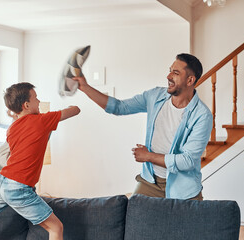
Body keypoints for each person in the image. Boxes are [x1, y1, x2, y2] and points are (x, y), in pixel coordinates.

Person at [73, 53, 212, 200]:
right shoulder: (155, 96)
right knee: (133, 218)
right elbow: (119, 107)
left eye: (176, 73)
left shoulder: (202, 116)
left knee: (189, 223)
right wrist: (85, 87)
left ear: (190, 80)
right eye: (170, 70)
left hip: (184, 188)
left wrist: (148, 156)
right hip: (150, 181)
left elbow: (188, 161)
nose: (169, 76)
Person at [0, 82, 80, 240]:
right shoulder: (42, 121)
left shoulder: (12, 128)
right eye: (36, 98)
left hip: (1, 182)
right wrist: (69, 93)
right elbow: (75, 110)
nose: (39, 101)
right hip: (18, 186)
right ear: (26, 105)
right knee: (56, 227)